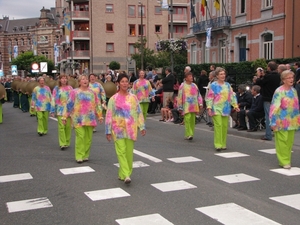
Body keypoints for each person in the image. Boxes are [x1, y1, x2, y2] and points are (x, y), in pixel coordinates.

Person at [105, 73, 146, 184]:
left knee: (128, 153)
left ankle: (122, 173)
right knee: (121, 152)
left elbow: (138, 112)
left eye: (126, 81)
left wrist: (141, 126)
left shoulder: (133, 98)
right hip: (117, 129)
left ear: (129, 83)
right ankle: (127, 174)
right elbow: (109, 115)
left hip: (130, 129)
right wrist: (108, 131)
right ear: (118, 83)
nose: (124, 84)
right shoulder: (113, 99)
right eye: (122, 81)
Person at [63, 75, 103, 163]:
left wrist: (100, 115)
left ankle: (85, 155)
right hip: (78, 119)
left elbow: (97, 104)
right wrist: (65, 116)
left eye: (86, 79)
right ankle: (79, 156)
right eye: (83, 79)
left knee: (88, 138)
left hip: (90, 118)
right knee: (80, 136)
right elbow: (69, 104)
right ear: (79, 82)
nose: (85, 81)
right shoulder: (74, 92)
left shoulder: (92, 93)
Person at [270, 70, 300, 169]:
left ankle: (286, 159)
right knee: (282, 141)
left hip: (292, 121)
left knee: (289, 142)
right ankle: (284, 161)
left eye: (292, 77)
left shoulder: (294, 91)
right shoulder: (279, 91)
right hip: (281, 121)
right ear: (283, 80)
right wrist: (273, 122)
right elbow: (274, 107)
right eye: (289, 78)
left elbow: (296, 106)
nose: (291, 79)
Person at [206, 67, 239, 151]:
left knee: (224, 126)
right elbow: (209, 97)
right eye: (221, 74)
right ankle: (218, 144)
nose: (223, 75)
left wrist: (235, 105)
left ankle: (223, 144)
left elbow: (232, 95)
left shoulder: (227, 85)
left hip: (225, 108)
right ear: (217, 75)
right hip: (216, 108)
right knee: (218, 125)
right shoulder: (213, 85)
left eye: (224, 74)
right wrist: (209, 107)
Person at [255, 61, 281, 141]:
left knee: (268, 117)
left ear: (269, 67)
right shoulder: (278, 76)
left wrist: (259, 77)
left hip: (267, 98)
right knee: (276, 116)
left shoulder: (268, 76)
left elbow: (260, 83)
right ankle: (278, 133)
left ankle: (268, 135)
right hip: (276, 98)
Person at [177, 72, 203, 140]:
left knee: (192, 120)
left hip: (194, 105)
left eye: (192, 76)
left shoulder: (194, 85)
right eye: (189, 76)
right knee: (187, 119)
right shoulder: (182, 86)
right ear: (186, 78)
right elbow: (179, 96)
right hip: (186, 106)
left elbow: (198, 95)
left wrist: (200, 103)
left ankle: (189, 134)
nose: (191, 77)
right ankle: (189, 134)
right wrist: (179, 106)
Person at [51, 74, 73, 150]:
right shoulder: (56, 89)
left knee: (68, 127)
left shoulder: (70, 88)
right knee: (61, 127)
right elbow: (53, 99)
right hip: (60, 110)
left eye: (65, 78)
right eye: (62, 78)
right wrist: (52, 110)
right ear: (59, 80)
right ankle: (62, 143)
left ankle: (67, 142)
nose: (64, 80)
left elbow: (73, 99)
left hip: (69, 110)